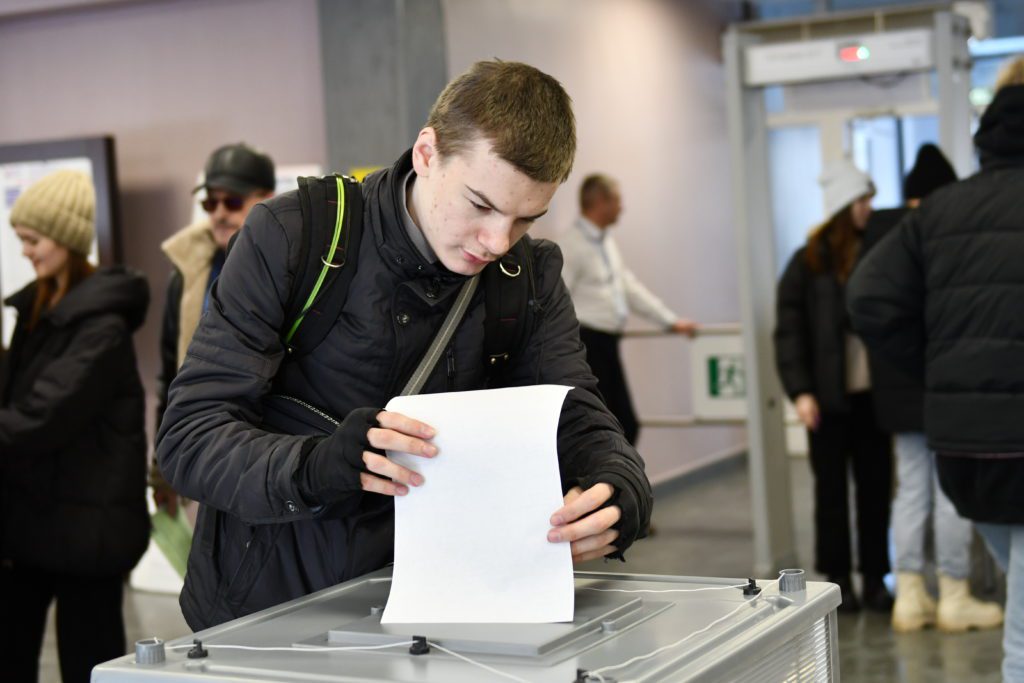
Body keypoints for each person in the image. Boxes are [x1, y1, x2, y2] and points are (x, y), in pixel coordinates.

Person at [157, 60, 654, 631]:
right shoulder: (292, 236)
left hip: (444, 613)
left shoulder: (529, 275)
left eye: (524, 219)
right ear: (426, 153)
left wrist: (621, 491)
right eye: (480, 205)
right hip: (269, 613)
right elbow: (190, 438)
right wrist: (317, 466)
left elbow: (578, 417)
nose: (496, 242)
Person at [848, 57, 1024, 680]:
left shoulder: (940, 212)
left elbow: (867, 297)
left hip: (965, 445)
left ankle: (927, 593)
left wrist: (940, 367)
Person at [0, 170, 150, 682]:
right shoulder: (39, 308)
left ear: (65, 238)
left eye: (33, 240)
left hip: (89, 531)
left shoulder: (101, 327)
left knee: (88, 660)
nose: (26, 252)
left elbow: (42, 417)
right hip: (39, 521)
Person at [854, 144, 1002, 633]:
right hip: (941, 385)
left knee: (912, 487)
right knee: (948, 490)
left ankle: (911, 594)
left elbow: (866, 303)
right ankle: (954, 593)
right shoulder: (947, 232)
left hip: (896, 389)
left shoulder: (879, 232)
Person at [773, 158, 893, 613]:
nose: (869, 207)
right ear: (845, 203)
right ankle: (839, 578)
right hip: (825, 400)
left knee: (876, 489)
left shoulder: (878, 249)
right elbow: (789, 332)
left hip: (873, 399)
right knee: (830, 494)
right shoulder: (808, 261)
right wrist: (800, 391)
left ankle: (876, 578)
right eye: (863, 198)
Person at [152, 143, 275, 514]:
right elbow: (170, 374)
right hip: (201, 454)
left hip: (264, 459)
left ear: (267, 199)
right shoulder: (187, 276)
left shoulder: (289, 272)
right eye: (210, 202)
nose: (220, 213)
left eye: (233, 202)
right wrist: (162, 461)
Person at [558, 174, 697, 445]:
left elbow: (628, 288)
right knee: (615, 424)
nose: (622, 207)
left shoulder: (605, 241)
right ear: (600, 202)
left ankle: (616, 484)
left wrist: (670, 321)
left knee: (622, 425)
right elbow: (559, 302)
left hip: (607, 344)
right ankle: (611, 484)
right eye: (618, 200)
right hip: (587, 346)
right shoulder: (571, 246)